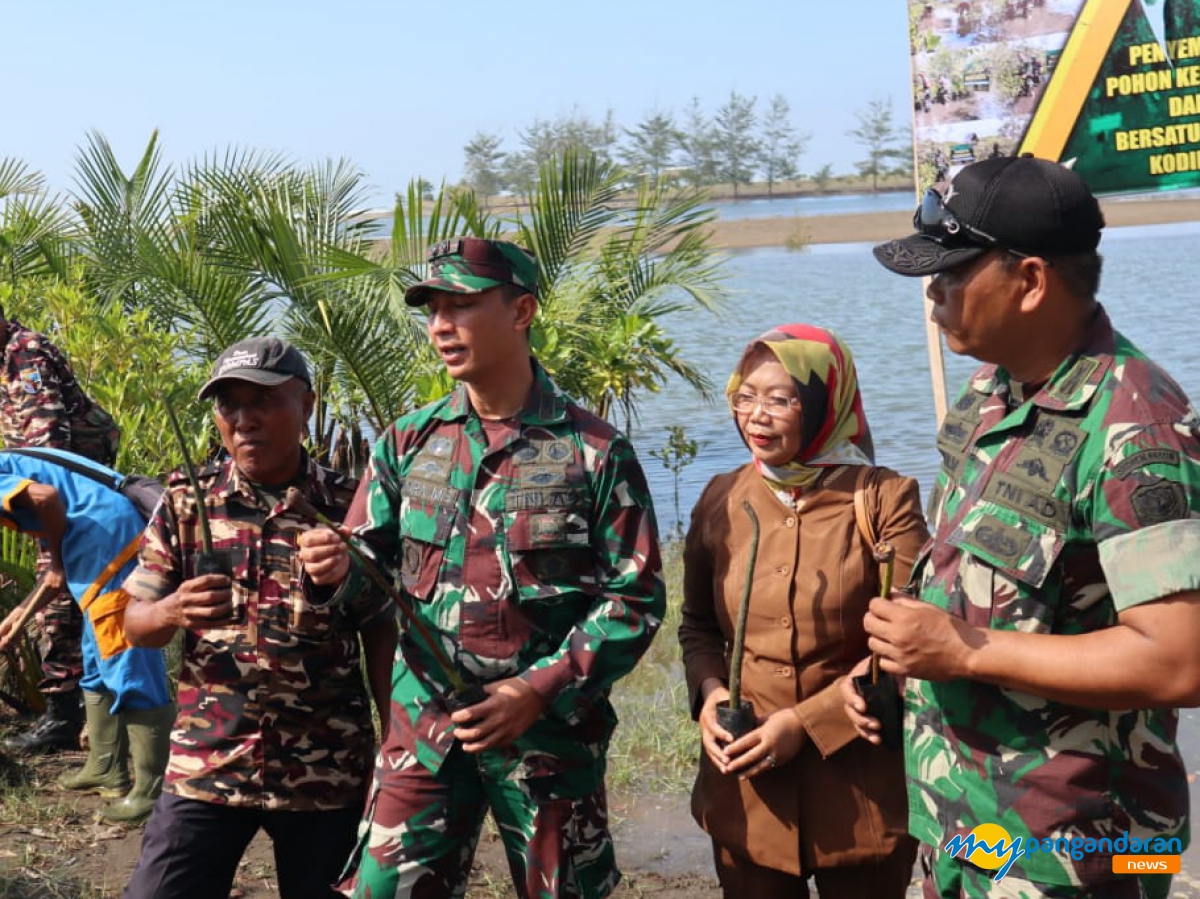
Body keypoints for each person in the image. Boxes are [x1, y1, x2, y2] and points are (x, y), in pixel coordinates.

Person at [843, 155, 1200, 898]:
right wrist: (903, 656)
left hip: (1086, 849)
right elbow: (976, 578)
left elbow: (1178, 663)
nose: (932, 293)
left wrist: (963, 651)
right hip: (974, 826)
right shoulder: (990, 389)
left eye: (952, 272)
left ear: (1032, 281)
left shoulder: (1140, 428)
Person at [299, 237, 666, 899]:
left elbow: (634, 597)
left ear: (521, 310)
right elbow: (367, 572)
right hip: (427, 725)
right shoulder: (409, 442)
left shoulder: (591, 450)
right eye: (433, 308)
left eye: (462, 305)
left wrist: (536, 689)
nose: (441, 324)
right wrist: (332, 568)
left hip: (548, 734)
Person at [120, 337, 397, 899]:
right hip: (208, 763)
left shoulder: (353, 504)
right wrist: (173, 609)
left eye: (263, 401)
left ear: (307, 405)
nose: (244, 420)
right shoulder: (184, 500)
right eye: (229, 406)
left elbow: (384, 629)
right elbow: (135, 625)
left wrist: (395, 747)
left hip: (325, 770)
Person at [678, 324, 925, 899]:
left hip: (861, 792)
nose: (756, 417)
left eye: (781, 399)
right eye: (745, 395)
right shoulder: (721, 497)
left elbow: (909, 642)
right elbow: (697, 626)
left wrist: (803, 725)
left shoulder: (885, 498)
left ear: (824, 402)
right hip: (745, 793)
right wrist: (712, 695)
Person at [0, 447, 172, 822]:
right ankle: (106, 768)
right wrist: (21, 611)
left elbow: (46, 500)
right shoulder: (11, 460)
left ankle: (153, 793)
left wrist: (58, 563)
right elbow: (53, 558)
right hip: (99, 536)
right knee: (96, 659)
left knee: (126, 658)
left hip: (107, 537)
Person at [0, 305, 121, 754]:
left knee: (62, 594)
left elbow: (46, 451)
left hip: (73, 495)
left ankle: (64, 718)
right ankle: (81, 717)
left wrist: (52, 552)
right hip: (60, 491)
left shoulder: (23, 355)